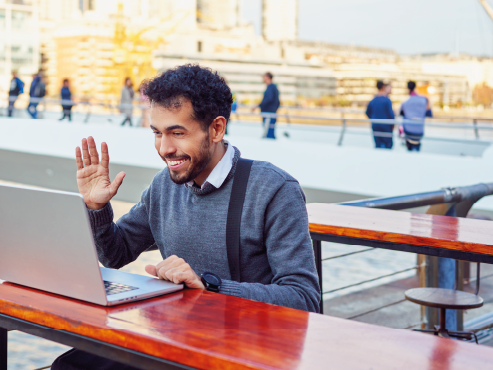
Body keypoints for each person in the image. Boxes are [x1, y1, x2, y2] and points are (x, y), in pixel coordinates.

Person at [51, 64, 320, 370]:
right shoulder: (165, 184)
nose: (165, 149)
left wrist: (209, 287)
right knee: (70, 366)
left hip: (244, 352)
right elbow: (115, 253)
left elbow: (305, 300)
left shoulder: (274, 189)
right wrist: (96, 208)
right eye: (157, 133)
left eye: (177, 133)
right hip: (177, 341)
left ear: (217, 129)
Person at [400, 80, 432, 152]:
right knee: (417, 148)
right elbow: (429, 114)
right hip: (419, 131)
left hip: (408, 130)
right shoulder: (424, 100)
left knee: (409, 150)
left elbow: (401, 115)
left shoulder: (405, 102)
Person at [366, 80, 395, 149]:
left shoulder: (373, 100)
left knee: (378, 145)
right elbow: (391, 115)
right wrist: (393, 124)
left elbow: (367, 112)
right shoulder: (387, 100)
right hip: (386, 126)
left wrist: (373, 118)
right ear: (383, 87)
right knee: (388, 145)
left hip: (375, 125)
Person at [252, 72, 280, 139]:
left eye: (263, 77)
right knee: (269, 132)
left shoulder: (271, 87)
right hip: (270, 113)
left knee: (268, 133)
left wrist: (258, 106)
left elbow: (268, 99)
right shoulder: (273, 87)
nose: (263, 78)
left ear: (267, 77)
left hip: (268, 114)